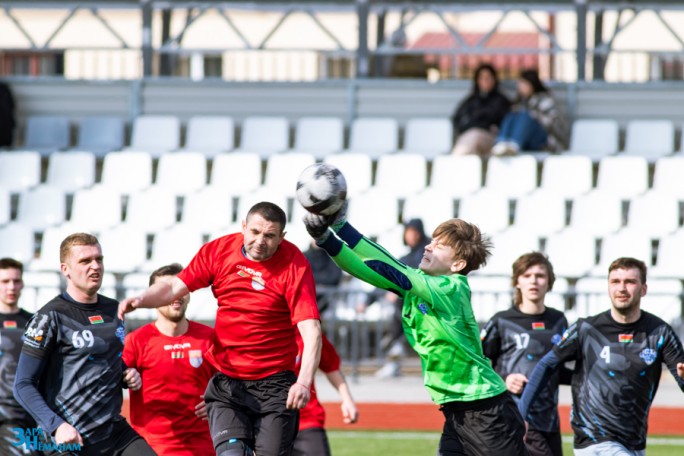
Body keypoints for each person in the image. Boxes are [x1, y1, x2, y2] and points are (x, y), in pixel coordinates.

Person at [302, 204, 528, 456]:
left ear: (457, 264)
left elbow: (392, 268)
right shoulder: (422, 286)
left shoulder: (452, 287)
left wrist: (341, 226)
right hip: (458, 411)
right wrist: (325, 240)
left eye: (440, 245)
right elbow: (365, 269)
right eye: (432, 241)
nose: (428, 246)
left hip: (486, 412)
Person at [118, 201, 322, 456]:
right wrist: (141, 300)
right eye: (255, 232)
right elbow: (173, 287)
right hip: (228, 383)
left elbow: (311, 328)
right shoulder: (219, 251)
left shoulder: (295, 265)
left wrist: (303, 382)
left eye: (270, 236)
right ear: (244, 227)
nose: (260, 241)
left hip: (274, 384)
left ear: (282, 237)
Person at [519, 257, 684, 456]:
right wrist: (520, 415)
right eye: (615, 281)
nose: (622, 288)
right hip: (593, 439)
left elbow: (681, 375)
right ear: (608, 287)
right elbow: (546, 365)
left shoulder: (660, 332)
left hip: (635, 443)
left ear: (643, 289)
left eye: (630, 282)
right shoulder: (586, 329)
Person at [13, 233, 155, 455]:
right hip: (69, 438)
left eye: (99, 259)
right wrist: (56, 426)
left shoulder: (113, 310)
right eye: (85, 261)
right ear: (65, 269)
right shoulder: (50, 317)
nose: (95, 266)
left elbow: (103, 358)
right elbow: (22, 384)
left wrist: (126, 373)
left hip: (114, 433)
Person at [481, 252, 570, 456]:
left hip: (549, 420)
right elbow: (478, 365)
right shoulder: (501, 321)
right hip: (512, 417)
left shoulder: (559, 321)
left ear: (549, 282)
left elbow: (558, 369)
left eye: (540, 276)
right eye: (527, 275)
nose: (534, 281)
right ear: (517, 281)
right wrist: (504, 379)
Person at [123, 263, 216, 456]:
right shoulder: (136, 341)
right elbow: (113, 377)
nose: (175, 295)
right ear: (153, 297)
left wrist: (218, 403)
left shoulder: (210, 338)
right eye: (165, 290)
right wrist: (126, 374)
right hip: (151, 448)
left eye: (179, 288)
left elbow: (234, 383)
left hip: (204, 448)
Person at [375, 218, 431, 378]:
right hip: (407, 307)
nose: (410, 236)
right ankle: (394, 360)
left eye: (413, 232)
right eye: (408, 232)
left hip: (423, 306)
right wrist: (368, 300)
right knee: (397, 326)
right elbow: (390, 276)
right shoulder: (406, 257)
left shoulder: (426, 254)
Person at [292, 331, 358, 456]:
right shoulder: (254, 328)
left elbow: (331, 366)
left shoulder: (308, 329)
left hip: (307, 420)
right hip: (266, 422)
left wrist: (347, 400)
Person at [0, 258, 40, 455]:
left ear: (22, 283)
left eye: (16, 281)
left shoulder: (34, 322)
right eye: (5, 281)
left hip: (28, 412)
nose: (11, 287)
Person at [491, 69, 567, 156]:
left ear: (532, 84)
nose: (521, 87)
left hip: (546, 140)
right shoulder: (519, 103)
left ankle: (514, 145)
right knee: (511, 116)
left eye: (524, 84)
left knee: (525, 116)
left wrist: (534, 116)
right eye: (520, 84)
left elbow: (554, 124)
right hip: (527, 142)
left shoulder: (545, 101)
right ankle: (501, 143)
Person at [450, 63, 512, 156]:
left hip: (489, 138)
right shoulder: (470, 100)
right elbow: (457, 119)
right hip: (467, 136)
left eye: (488, 77)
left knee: (473, 137)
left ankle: (453, 165)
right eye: (482, 78)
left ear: (494, 79)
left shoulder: (501, 100)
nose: (485, 81)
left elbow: (499, 122)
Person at [303, 240, 342, 314]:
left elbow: (335, 277)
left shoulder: (332, 257)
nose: (316, 239)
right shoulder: (303, 256)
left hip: (328, 304)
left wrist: (313, 282)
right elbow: (301, 277)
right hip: (306, 303)